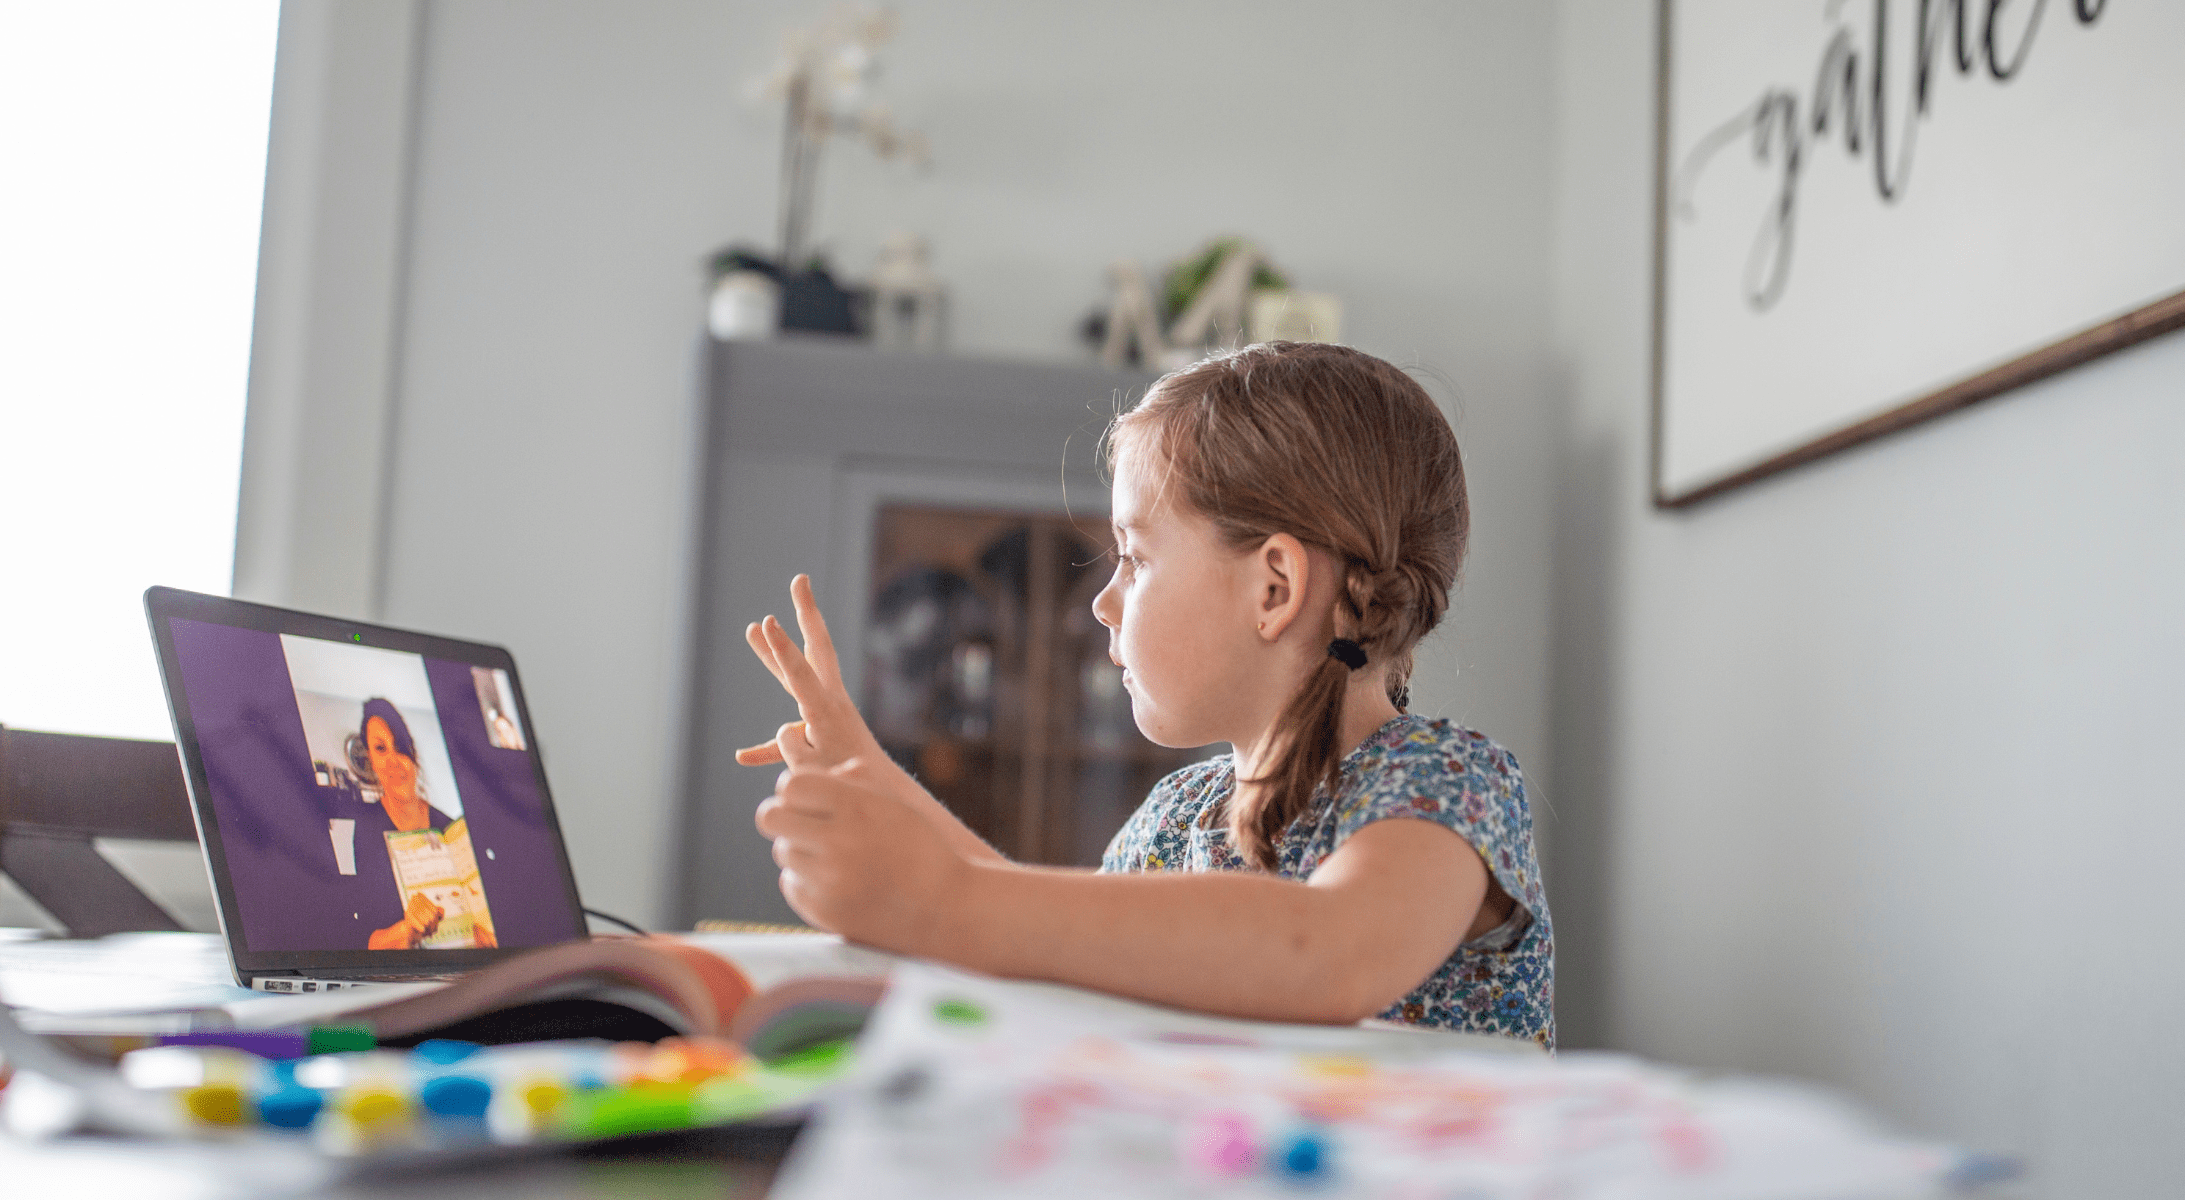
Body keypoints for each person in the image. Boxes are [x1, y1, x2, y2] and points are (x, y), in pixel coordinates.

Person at [737, 342, 1553, 1047]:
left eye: (1134, 557)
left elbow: (1327, 955)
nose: (1102, 600)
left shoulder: (1446, 784)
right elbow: (1050, 944)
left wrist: (942, 900)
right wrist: (869, 768)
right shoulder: (1176, 816)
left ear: (1274, 587)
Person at [353, 699, 496, 950]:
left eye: (400, 747)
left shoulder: (451, 829)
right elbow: (370, 943)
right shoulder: (365, 831)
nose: (394, 761)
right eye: (381, 749)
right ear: (371, 761)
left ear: (413, 753)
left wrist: (488, 936)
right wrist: (407, 930)